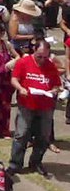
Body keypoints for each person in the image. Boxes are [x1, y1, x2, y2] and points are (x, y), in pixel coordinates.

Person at [8, 37, 62, 177]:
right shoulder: (23, 62)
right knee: (21, 134)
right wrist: (20, 89)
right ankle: (15, 164)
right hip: (27, 104)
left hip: (45, 106)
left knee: (43, 136)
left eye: (45, 57)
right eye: (39, 56)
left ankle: (36, 162)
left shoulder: (50, 65)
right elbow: (14, 79)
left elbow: (57, 84)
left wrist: (55, 90)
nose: (42, 59)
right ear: (34, 50)